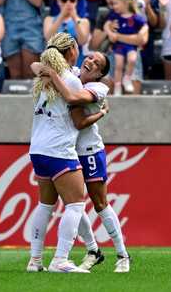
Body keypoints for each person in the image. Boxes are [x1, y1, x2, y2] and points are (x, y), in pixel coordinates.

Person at [41, 51, 131, 273]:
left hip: (89, 150)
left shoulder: (99, 88)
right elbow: (36, 66)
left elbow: (74, 105)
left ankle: (122, 255)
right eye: (90, 57)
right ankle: (93, 249)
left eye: (97, 63)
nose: (90, 61)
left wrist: (52, 75)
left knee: (99, 203)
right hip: (67, 149)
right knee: (73, 202)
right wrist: (49, 68)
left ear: (100, 73)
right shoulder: (71, 74)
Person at [26, 32, 88, 273]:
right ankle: (60, 259)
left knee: (45, 204)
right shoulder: (69, 80)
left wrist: (48, 70)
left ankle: (35, 260)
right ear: (71, 50)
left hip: (38, 149)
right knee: (75, 205)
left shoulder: (45, 77)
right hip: (59, 149)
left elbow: (35, 65)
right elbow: (74, 96)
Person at [89, 0, 148, 94]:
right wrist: (108, 30)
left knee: (133, 97)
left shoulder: (135, 13)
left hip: (132, 55)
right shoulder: (105, 15)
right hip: (111, 58)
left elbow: (142, 40)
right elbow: (94, 45)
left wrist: (117, 36)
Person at [104, 0, 147, 95]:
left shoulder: (135, 17)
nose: (114, 6)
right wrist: (110, 33)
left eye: (116, 3)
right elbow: (106, 25)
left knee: (132, 59)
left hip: (131, 46)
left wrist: (141, 32)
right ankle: (118, 85)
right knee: (118, 64)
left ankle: (126, 78)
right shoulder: (115, 15)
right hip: (118, 46)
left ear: (125, 3)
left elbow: (145, 27)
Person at [128, 0, 164, 79]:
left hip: (147, 41)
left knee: (146, 69)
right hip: (128, 39)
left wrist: (147, 5)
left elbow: (155, 23)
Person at [43, 0, 90, 67]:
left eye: (72, 0)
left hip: (76, 63)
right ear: (58, 1)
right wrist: (61, 16)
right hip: (55, 62)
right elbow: (48, 39)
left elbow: (82, 41)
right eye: (64, 0)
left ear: (76, 2)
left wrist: (75, 18)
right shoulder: (49, 19)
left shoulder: (83, 21)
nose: (68, 3)